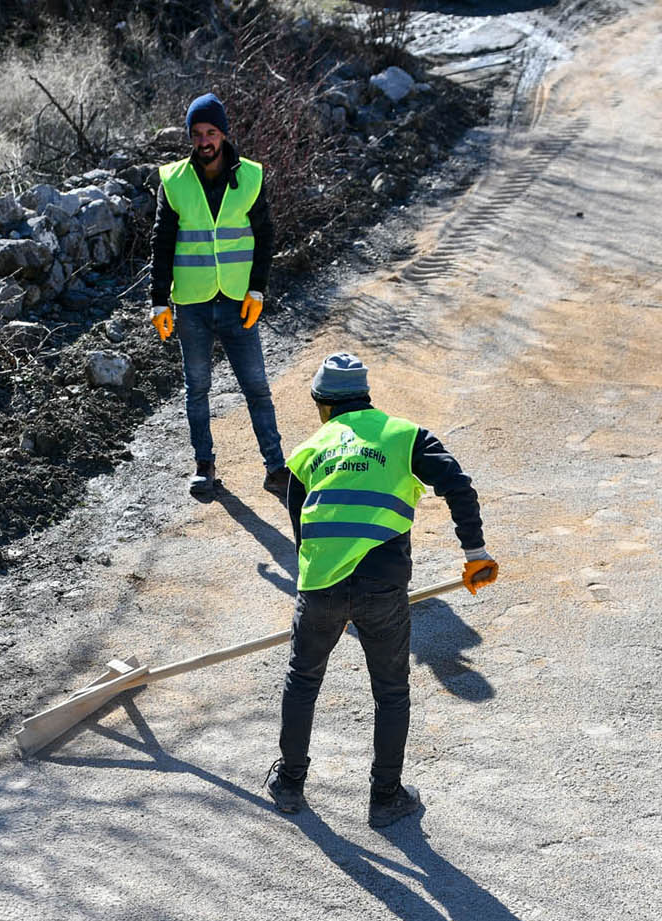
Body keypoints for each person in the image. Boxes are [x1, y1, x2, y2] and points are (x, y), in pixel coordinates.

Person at [266, 351, 498, 829]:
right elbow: (459, 485)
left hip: (321, 585)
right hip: (383, 585)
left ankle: (289, 783)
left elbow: (300, 531)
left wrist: (320, 583)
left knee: (303, 681)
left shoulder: (308, 450)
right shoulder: (405, 436)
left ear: (321, 403)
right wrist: (475, 553)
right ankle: (386, 797)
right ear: (367, 397)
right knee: (391, 691)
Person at [151, 94, 290, 500]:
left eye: (211, 132)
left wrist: (257, 289)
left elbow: (264, 236)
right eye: (197, 134)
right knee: (197, 388)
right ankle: (204, 466)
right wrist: (159, 299)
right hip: (191, 302)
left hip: (235, 300)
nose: (204, 141)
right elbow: (162, 240)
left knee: (257, 387)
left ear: (224, 134)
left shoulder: (249, 176)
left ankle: (275, 467)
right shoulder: (173, 181)